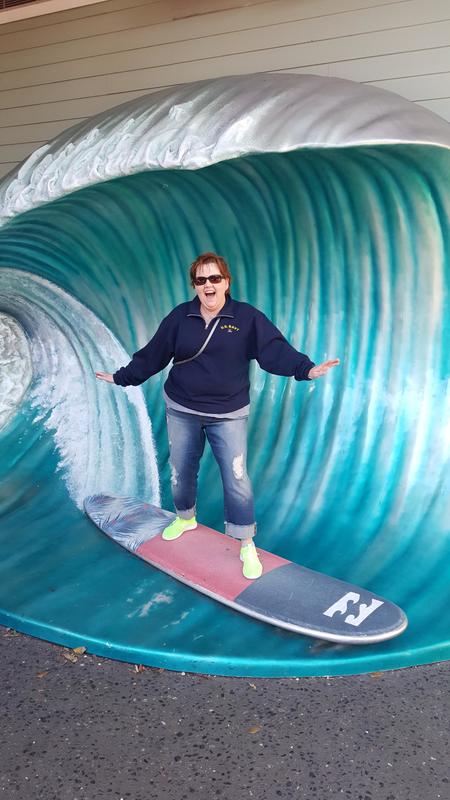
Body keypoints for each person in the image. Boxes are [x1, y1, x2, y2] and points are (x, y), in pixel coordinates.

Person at [95, 252, 339, 580]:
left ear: (226, 282)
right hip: (182, 408)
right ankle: (185, 518)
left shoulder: (246, 318)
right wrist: (122, 377)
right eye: (201, 280)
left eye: (214, 278)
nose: (208, 285)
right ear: (194, 286)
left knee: (236, 478)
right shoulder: (181, 317)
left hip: (228, 413)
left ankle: (246, 542)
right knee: (181, 470)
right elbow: (153, 354)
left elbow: (274, 351)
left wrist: (305, 369)